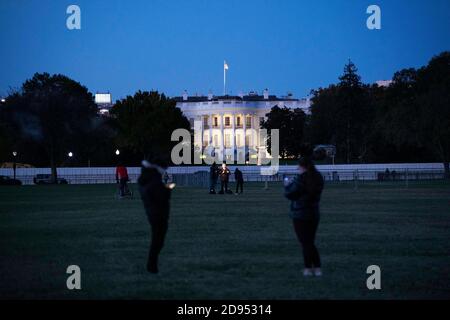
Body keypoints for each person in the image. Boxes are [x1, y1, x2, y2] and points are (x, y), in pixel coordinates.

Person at [284, 156, 324, 277]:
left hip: (300, 213)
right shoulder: (318, 178)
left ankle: (309, 268)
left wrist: (287, 185)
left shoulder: (300, 179)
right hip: (314, 213)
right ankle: (316, 268)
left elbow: (290, 194)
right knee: (310, 241)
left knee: (305, 242)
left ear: (303, 167)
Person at [138, 160, 172, 274]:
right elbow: (162, 196)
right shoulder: (153, 181)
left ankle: (152, 264)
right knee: (158, 240)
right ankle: (152, 265)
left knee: (157, 240)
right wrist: (168, 189)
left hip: (153, 212)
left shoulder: (145, 179)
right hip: (158, 213)